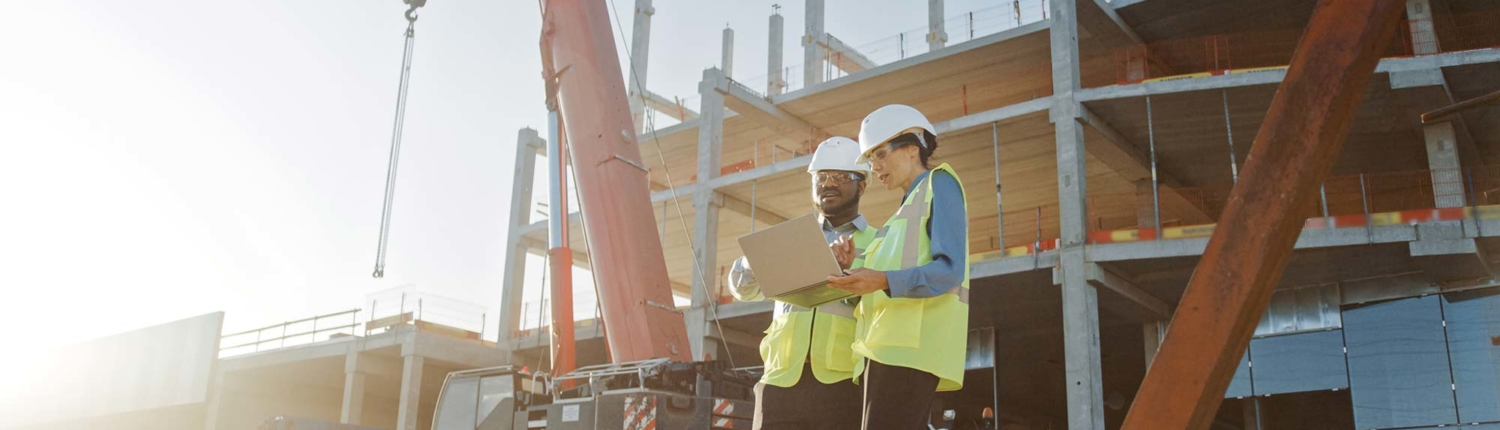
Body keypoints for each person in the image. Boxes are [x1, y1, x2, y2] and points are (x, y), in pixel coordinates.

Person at [827, 104, 971, 430]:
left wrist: (881, 280)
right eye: (870, 160)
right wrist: (854, 269)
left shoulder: (940, 184)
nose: (875, 167)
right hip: (883, 353)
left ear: (910, 149)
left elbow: (949, 270)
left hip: (908, 352)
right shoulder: (897, 219)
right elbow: (882, 284)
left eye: (879, 155)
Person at [727, 136, 879, 430]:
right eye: (821, 176)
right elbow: (743, 291)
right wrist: (751, 261)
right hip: (780, 381)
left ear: (862, 184)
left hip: (842, 383)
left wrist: (847, 280)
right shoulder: (793, 239)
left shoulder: (878, 243)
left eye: (839, 176)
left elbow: (884, 307)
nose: (828, 183)